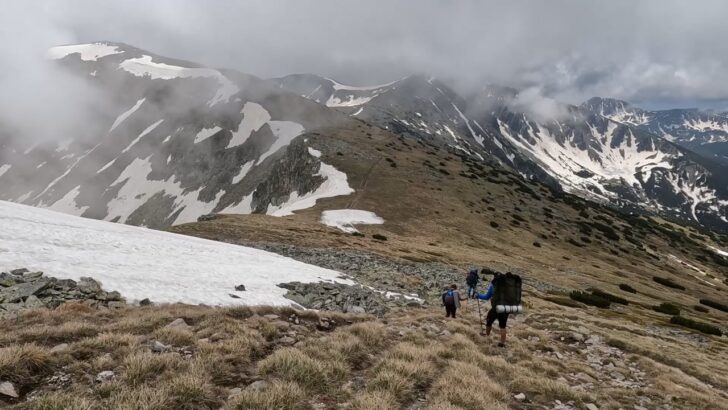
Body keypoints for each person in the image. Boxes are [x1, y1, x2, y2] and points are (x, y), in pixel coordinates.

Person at [475, 272, 511, 347]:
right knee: (502, 326)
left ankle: (487, 336)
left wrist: (478, 295)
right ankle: (502, 343)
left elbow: (486, 297)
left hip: (495, 308)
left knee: (489, 321)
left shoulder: (493, 286)